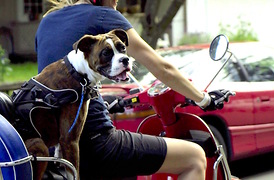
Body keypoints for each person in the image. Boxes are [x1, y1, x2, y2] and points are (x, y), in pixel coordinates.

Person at [35, 0, 233, 179]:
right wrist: (204, 99)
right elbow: (162, 68)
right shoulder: (103, 15)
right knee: (195, 157)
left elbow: (65, 79)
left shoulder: (47, 22)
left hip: (56, 149)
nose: (117, 1)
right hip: (97, 141)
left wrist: (103, 100)